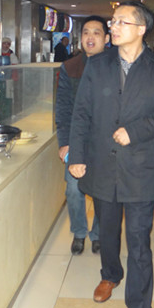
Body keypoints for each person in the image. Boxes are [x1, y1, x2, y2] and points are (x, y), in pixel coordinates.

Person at [68, 1, 154, 308]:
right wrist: (77, 156)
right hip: (102, 163)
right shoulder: (97, 65)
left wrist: (135, 131)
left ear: (141, 29)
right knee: (108, 230)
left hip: (140, 167)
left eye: (121, 22)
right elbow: (81, 112)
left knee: (139, 241)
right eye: (112, 21)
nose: (112, 27)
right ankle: (110, 274)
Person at [55, 16, 109, 255]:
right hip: (77, 141)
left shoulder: (115, 66)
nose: (90, 37)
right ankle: (79, 232)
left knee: (103, 193)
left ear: (106, 38)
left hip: (106, 143)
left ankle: (98, 234)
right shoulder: (70, 67)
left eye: (96, 33)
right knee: (74, 190)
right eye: (86, 32)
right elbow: (63, 109)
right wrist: (64, 142)